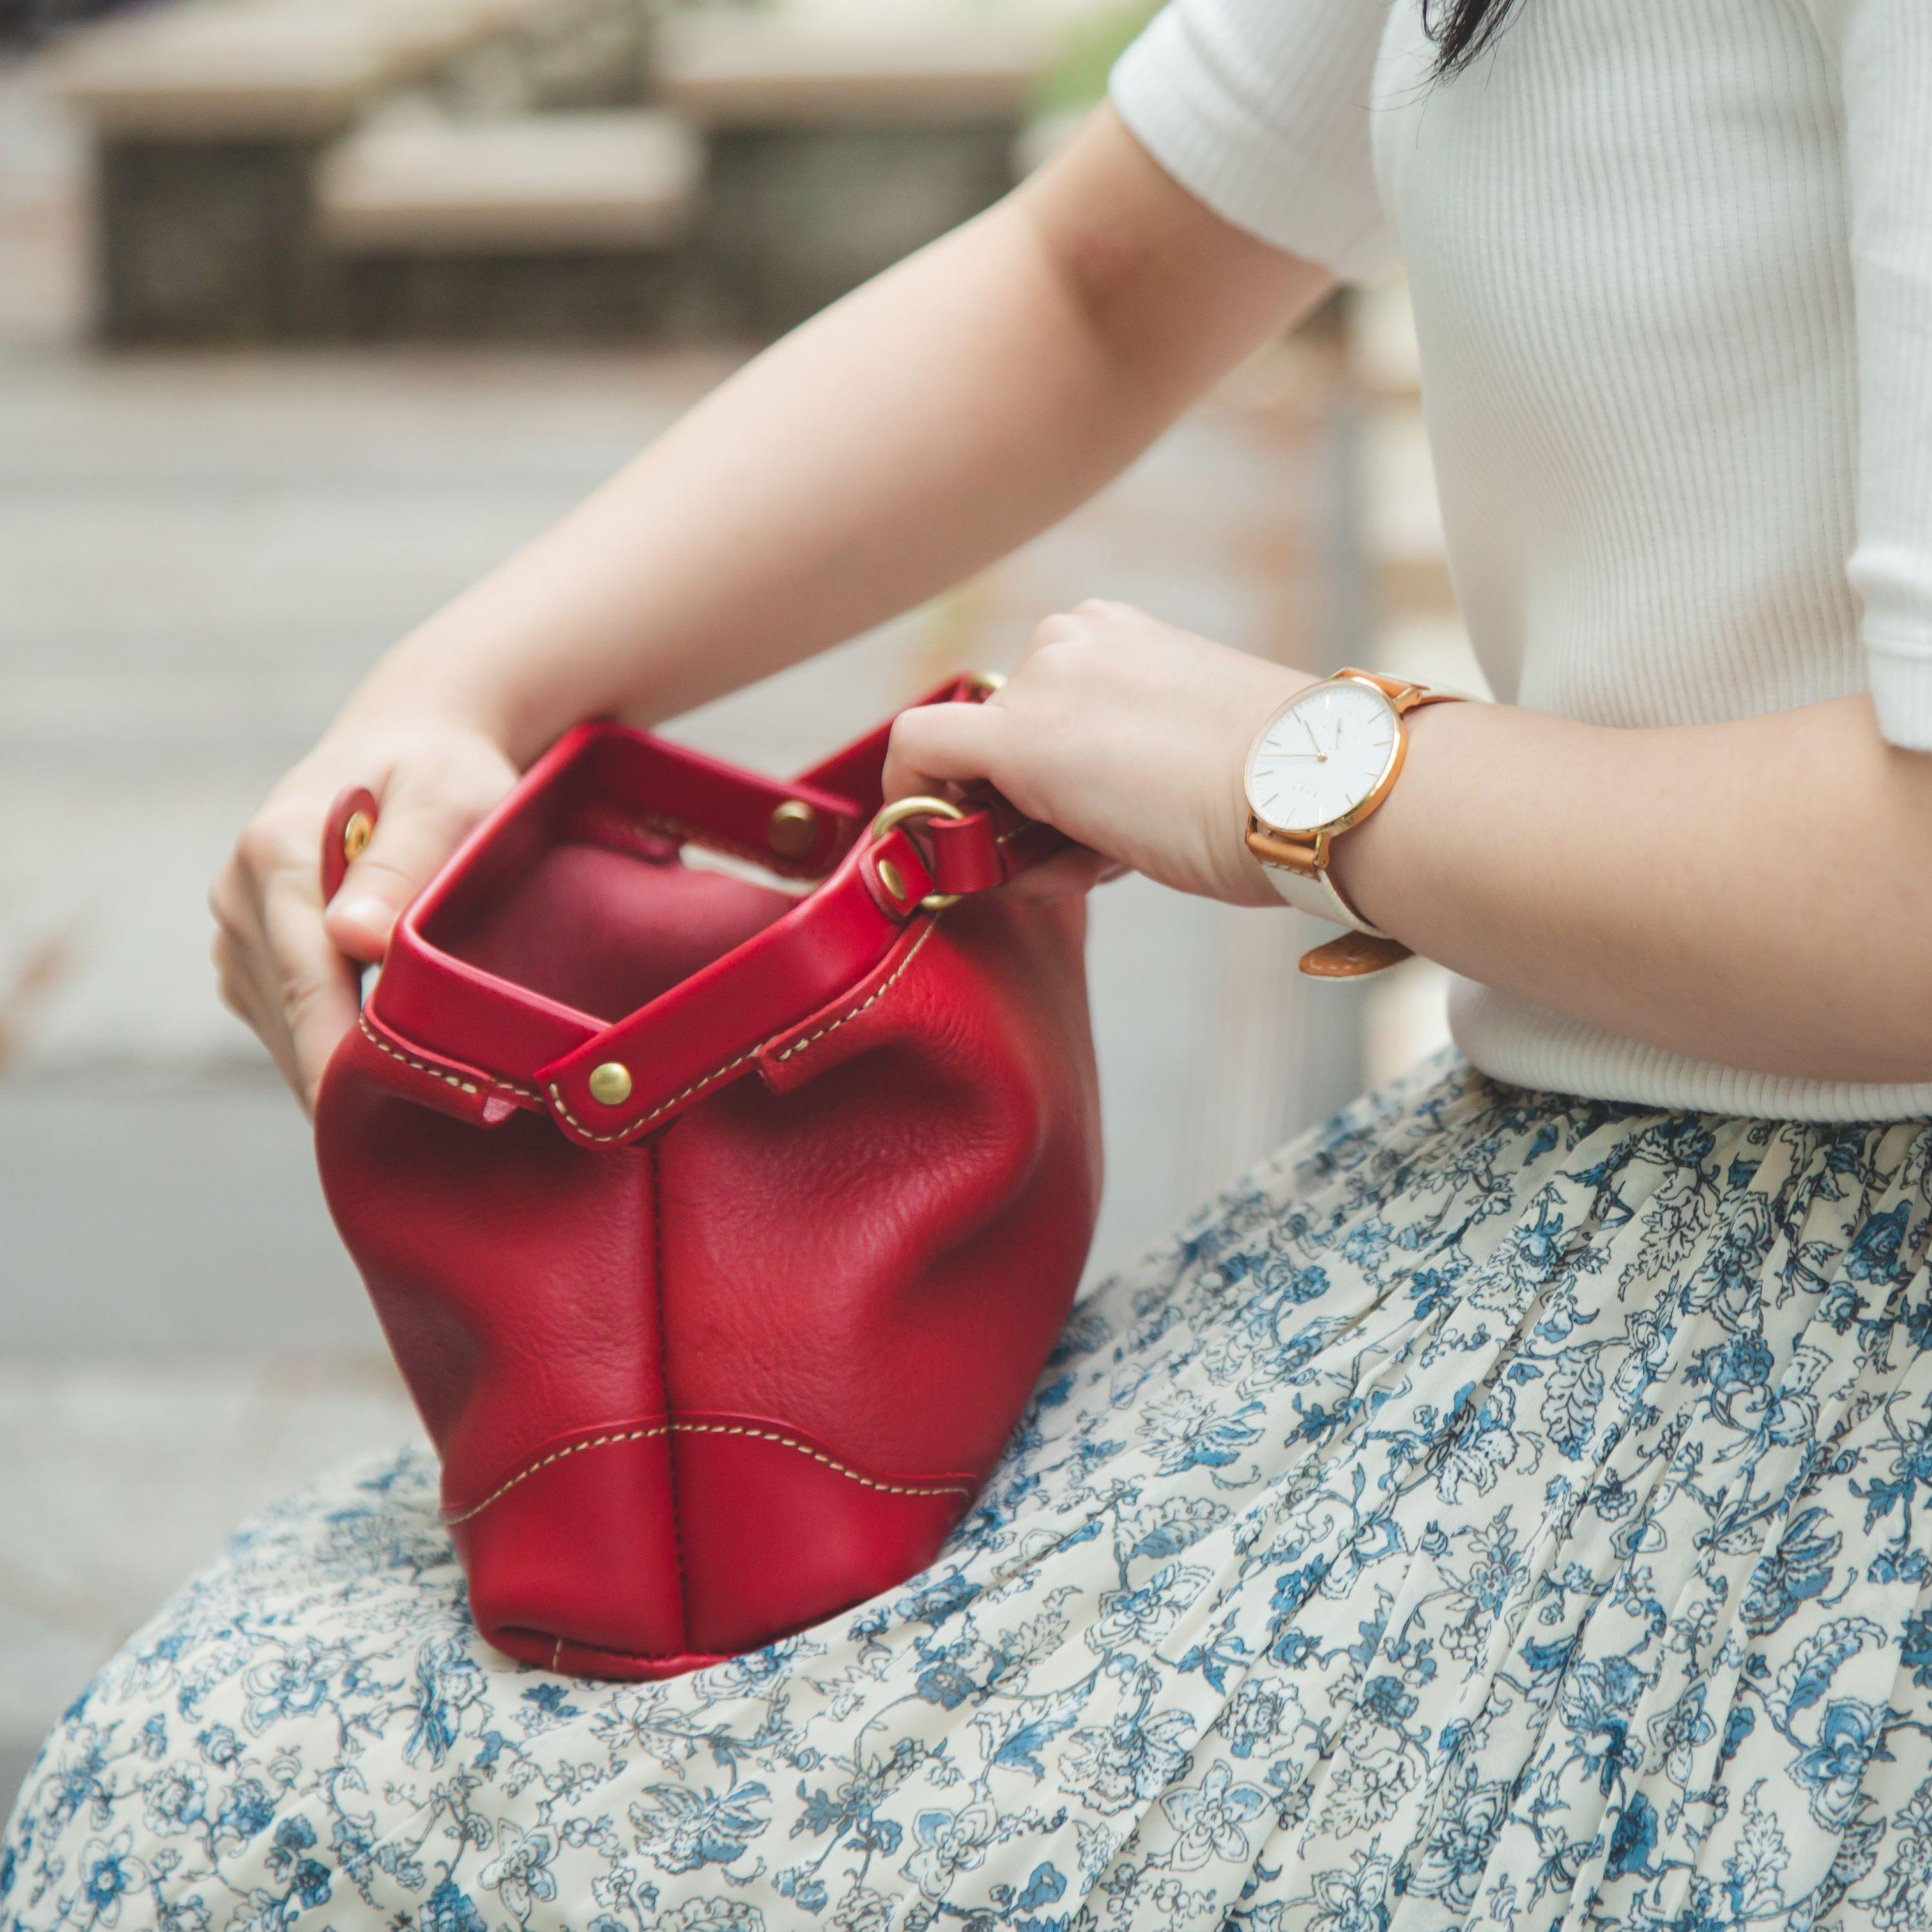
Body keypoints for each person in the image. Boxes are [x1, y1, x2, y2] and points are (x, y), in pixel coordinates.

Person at [10, 0, 1932, 1923]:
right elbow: (1100, 273)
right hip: (1563, 1200)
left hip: (1835, 1393)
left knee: (235, 1801)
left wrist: (1304, 771)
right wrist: (447, 696)